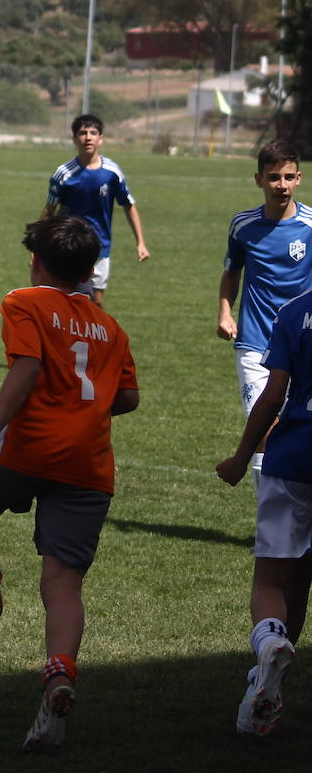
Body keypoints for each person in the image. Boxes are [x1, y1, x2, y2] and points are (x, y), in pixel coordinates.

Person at [0, 216, 139, 752]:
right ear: (88, 271)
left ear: (36, 261)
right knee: (63, 584)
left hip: (30, 448)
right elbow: (127, 399)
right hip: (89, 464)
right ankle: (58, 676)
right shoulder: (111, 326)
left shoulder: (24, 301)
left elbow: (27, 366)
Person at [215, 283, 312, 737]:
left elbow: (272, 397)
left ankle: (271, 645)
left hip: (292, 460)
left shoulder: (296, 311)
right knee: (302, 577)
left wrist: (240, 458)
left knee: (275, 577)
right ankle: (270, 674)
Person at [217, 140, 312, 488]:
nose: (282, 185)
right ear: (259, 180)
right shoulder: (243, 226)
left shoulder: (311, 226)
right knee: (263, 426)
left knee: (296, 425)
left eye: (288, 177)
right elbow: (231, 272)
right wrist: (225, 313)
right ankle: (268, 519)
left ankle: (286, 522)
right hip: (255, 341)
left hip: (303, 342)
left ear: (299, 178)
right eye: (274, 177)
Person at [40, 114, 150, 306]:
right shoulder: (63, 173)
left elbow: (128, 205)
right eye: (82, 133)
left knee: (96, 301)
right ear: (75, 139)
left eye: (93, 133)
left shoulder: (112, 173)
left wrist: (140, 242)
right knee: (68, 297)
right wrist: (38, 248)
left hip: (100, 245)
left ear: (101, 138)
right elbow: (49, 211)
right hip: (69, 244)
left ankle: (92, 336)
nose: (88, 137)